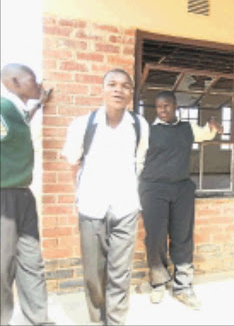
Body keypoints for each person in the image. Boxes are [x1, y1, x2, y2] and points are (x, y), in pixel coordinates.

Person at [61, 69, 149, 325]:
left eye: (125, 86)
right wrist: (77, 198)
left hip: (126, 208)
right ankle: (97, 318)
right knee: (94, 273)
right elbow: (73, 163)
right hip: (91, 207)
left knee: (120, 274)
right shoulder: (83, 125)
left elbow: (139, 162)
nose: (118, 90)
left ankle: (115, 320)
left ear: (131, 93)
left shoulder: (139, 125)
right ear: (102, 89)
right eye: (112, 84)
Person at [139, 91, 223, 308]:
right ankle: (158, 283)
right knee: (155, 236)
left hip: (181, 188)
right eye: (159, 107)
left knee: (182, 235)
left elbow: (206, 133)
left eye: (167, 105)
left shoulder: (187, 128)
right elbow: (138, 160)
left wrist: (213, 125)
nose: (163, 110)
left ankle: (183, 285)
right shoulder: (148, 130)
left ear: (176, 106)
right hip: (153, 188)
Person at [0, 63, 54, 326]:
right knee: (1, 266)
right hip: (3, 198)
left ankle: (38, 318)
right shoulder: (1, 108)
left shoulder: (16, 111)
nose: (38, 84)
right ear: (14, 81)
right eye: (32, 79)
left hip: (23, 196)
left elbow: (19, 125)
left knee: (32, 260)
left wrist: (39, 104)